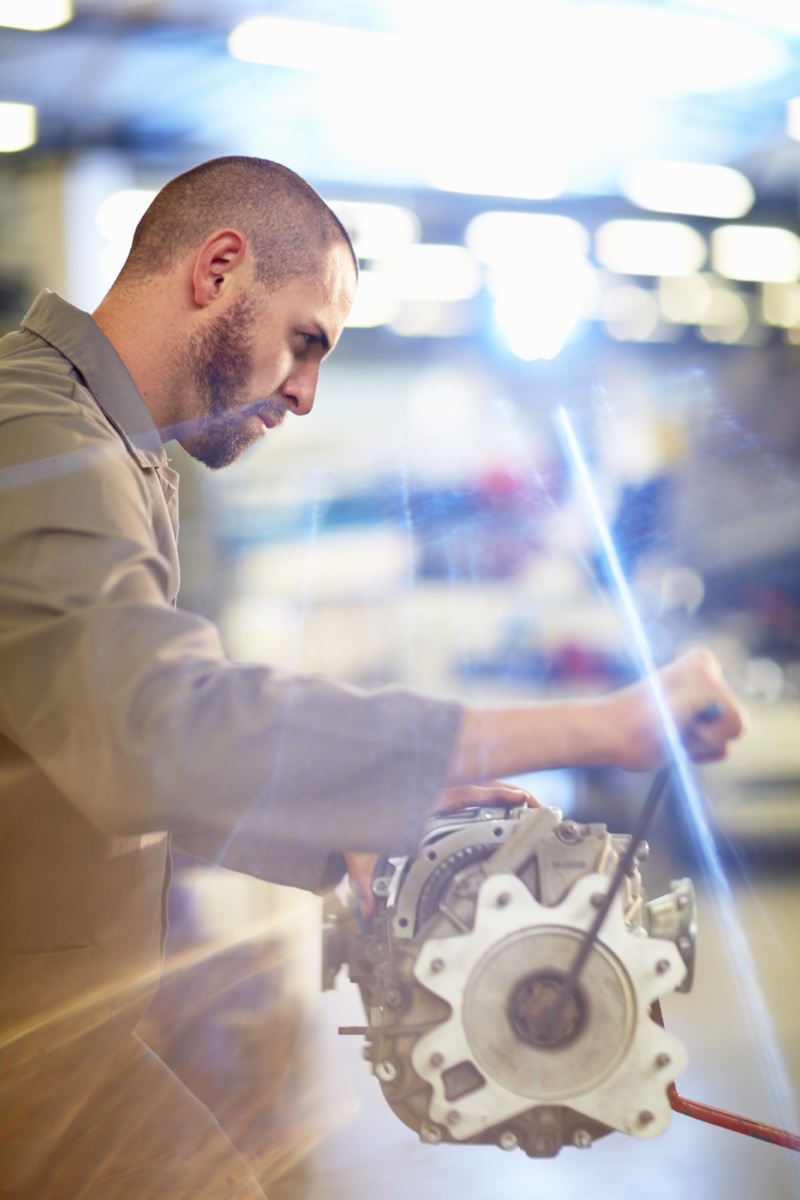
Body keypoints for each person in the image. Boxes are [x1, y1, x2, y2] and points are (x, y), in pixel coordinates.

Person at [0, 156, 745, 1199]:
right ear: (217, 270)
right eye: (305, 342)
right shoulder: (37, 435)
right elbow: (158, 729)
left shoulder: (115, 450)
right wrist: (603, 726)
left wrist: (345, 825)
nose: (306, 394)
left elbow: (94, 760)